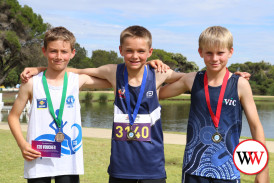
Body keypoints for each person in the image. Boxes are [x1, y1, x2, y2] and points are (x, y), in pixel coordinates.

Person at [21, 25, 185, 183]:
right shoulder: (113, 72)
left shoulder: (159, 74)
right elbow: (77, 72)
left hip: (152, 167)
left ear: (149, 52)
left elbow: (190, 79)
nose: (135, 56)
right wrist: (41, 69)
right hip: (121, 167)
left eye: (141, 51)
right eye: (129, 51)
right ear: (120, 50)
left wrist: (152, 64)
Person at [159, 26, 270, 183]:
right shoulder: (191, 80)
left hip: (228, 170)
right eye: (209, 53)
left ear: (230, 52)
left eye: (220, 53)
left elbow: (255, 126)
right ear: (200, 52)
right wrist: (155, 67)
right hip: (194, 169)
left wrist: (262, 170)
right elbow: (158, 94)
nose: (215, 58)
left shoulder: (240, 84)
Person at [8, 26, 112, 183]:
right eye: (53, 51)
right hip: (38, 158)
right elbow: (13, 117)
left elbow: (111, 79)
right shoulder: (31, 83)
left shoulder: (77, 80)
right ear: (44, 51)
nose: (58, 56)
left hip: (68, 161)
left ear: (73, 53)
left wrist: (44, 68)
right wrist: (22, 144)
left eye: (64, 52)